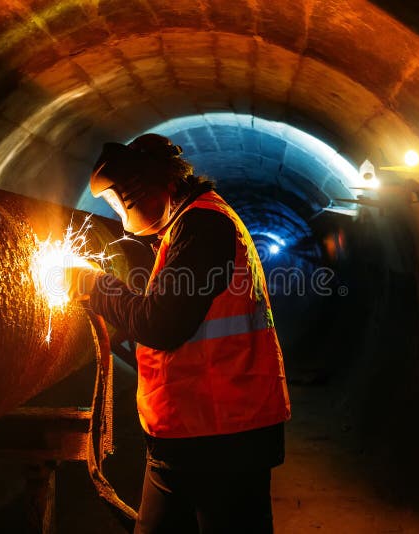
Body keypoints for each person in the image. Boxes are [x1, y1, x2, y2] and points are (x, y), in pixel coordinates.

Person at [68, 133, 291, 534]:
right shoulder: (189, 223)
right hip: (193, 431)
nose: (122, 210)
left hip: (222, 435)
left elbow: (163, 322)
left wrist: (96, 286)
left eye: (121, 200)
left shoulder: (203, 225)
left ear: (155, 188)